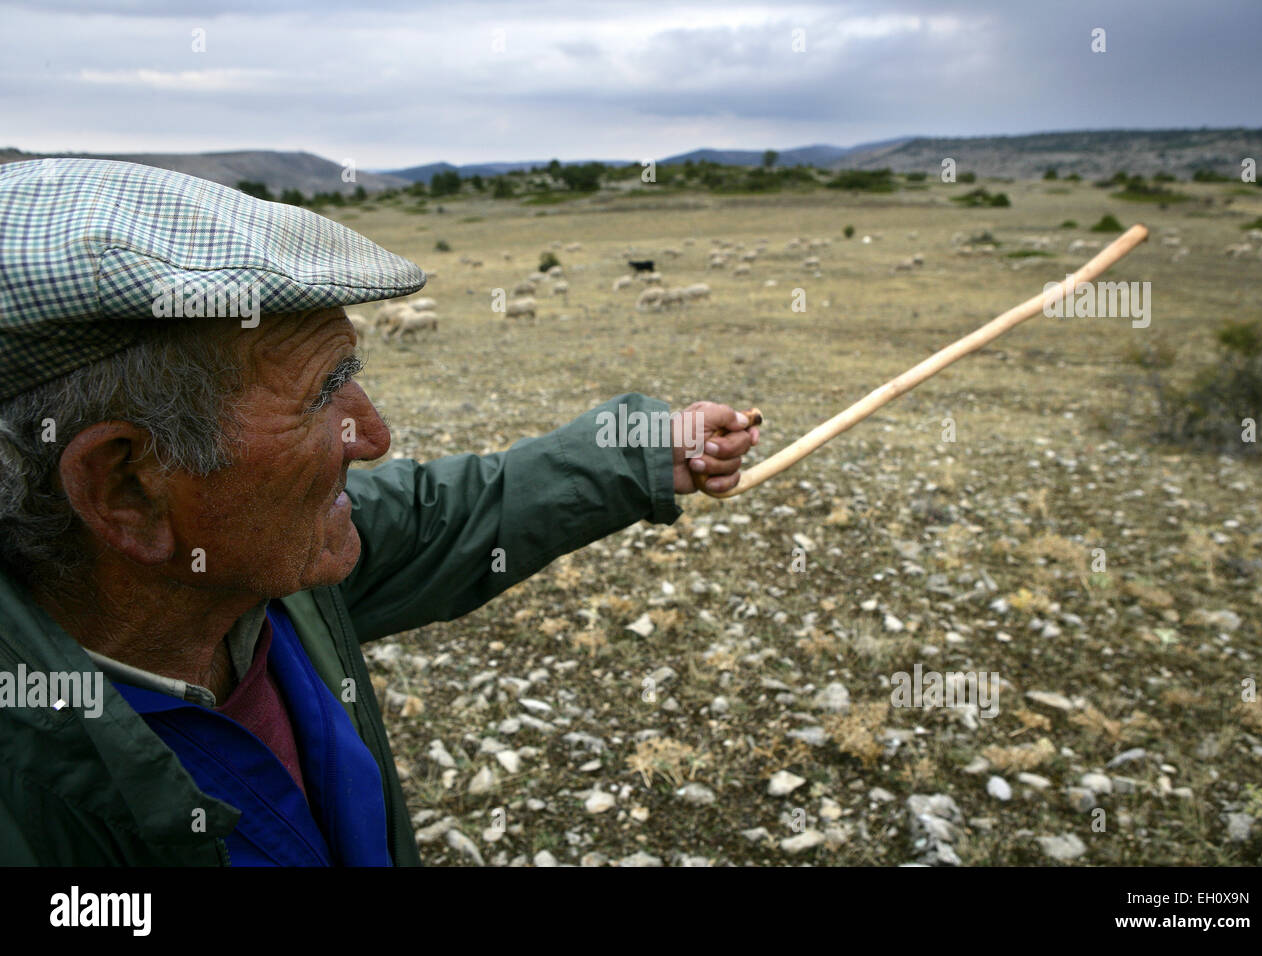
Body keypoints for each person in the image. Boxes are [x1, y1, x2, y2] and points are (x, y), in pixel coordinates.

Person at [0, 158, 759, 865]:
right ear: (126, 487)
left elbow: (451, 515)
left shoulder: (273, 566)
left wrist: (640, 451)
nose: (374, 437)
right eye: (323, 392)